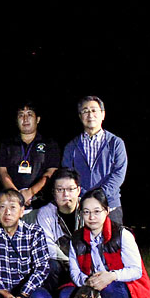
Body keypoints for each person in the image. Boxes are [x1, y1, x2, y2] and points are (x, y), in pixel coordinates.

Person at [59, 189, 150, 298]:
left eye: (97, 211)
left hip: (120, 288)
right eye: (86, 212)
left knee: (112, 287)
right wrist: (87, 280)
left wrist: (111, 276)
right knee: (64, 296)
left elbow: (136, 270)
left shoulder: (122, 234)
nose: (92, 217)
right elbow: (75, 272)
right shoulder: (76, 238)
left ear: (107, 211)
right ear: (80, 213)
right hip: (92, 286)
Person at [62, 96, 127, 224]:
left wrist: (99, 196)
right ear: (80, 116)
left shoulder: (116, 143)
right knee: (82, 243)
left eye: (94, 110)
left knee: (112, 243)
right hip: (82, 208)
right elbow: (68, 176)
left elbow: (118, 174)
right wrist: (86, 198)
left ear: (103, 114)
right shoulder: (71, 146)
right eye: (85, 111)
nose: (90, 114)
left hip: (110, 206)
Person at [34, 168, 84, 298]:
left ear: (79, 190)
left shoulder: (89, 210)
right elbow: (47, 246)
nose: (66, 195)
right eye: (60, 190)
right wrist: (70, 262)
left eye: (70, 189)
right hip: (62, 266)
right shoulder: (46, 213)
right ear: (53, 192)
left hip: (86, 268)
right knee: (49, 264)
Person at [0, 101, 59, 210]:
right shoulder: (6, 144)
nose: (25, 119)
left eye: (29, 114)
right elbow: (2, 172)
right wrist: (17, 195)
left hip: (41, 203)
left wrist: (30, 192)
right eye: (21, 115)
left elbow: (51, 172)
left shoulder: (50, 144)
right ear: (16, 120)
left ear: (37, 119)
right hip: (12, 203)